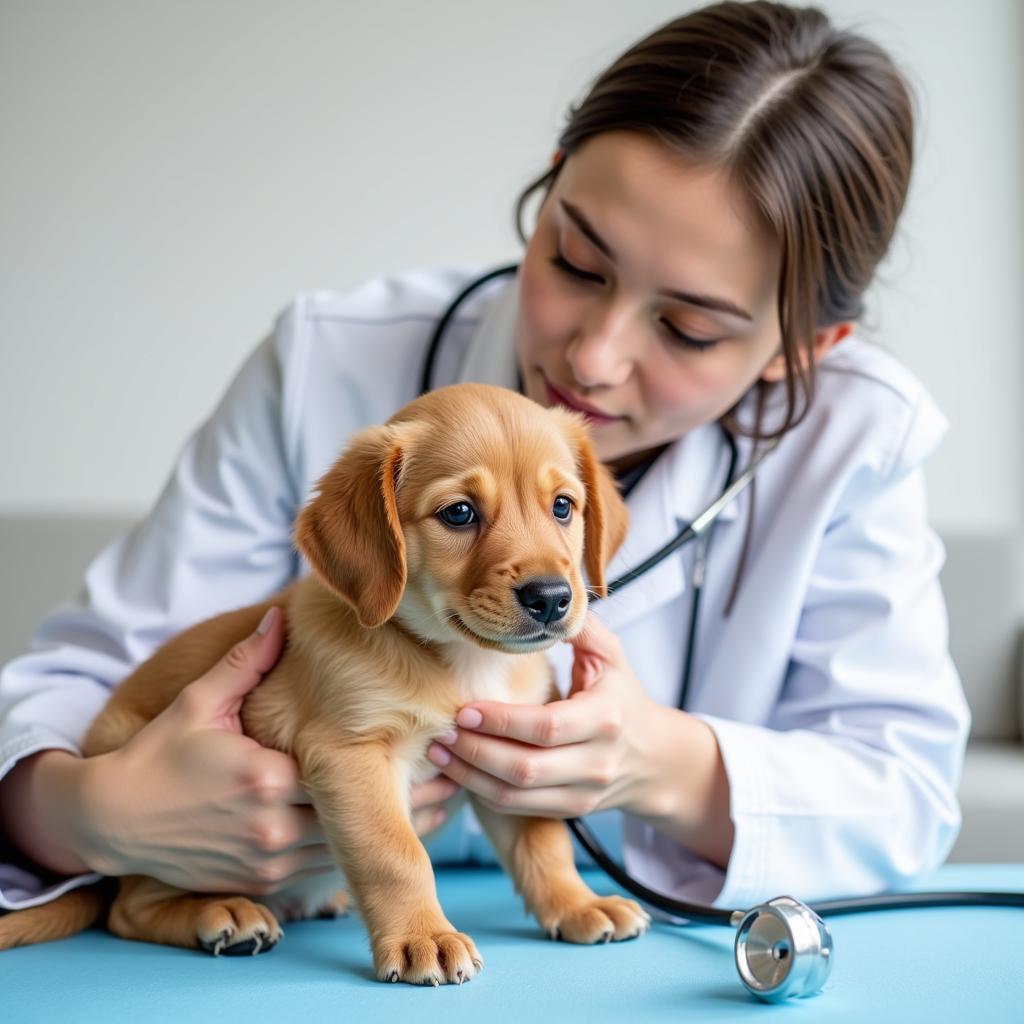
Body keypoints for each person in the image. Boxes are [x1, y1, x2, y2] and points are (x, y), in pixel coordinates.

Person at [0, 0, 969, 917]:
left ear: (809, 345)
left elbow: (908, 795)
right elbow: (89, 675)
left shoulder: (856, 437)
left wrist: (661, 762)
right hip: (291, 922)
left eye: (687, 326)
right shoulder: (328, 355)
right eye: (577, 263)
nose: (590, 357)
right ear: (551, 185)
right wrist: (85, 813)